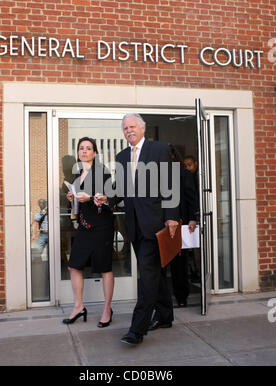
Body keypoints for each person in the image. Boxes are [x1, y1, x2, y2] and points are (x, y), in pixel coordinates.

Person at [95, 113, 179, 345]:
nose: (129, 130)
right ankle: (165, 316)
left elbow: (170, 182)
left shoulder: (159, 149)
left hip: (156, 223)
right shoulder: (122, 156)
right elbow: (120, 189)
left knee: (147, 275)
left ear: (142, 128)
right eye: (125, 128)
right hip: (134, 225)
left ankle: (137, 329)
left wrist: (172, 217)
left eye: (132, 126)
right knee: (156, 272)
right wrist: (107, 197)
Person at [62, 137, 115, 328]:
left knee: (105, 268)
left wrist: (92, 197)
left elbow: (112, 198)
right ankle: (78, 306)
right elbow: (78, 205)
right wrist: (72, 198)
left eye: (88, 148)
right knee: (73, 266)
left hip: (102, 228)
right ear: (78, 153)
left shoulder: (103, 173)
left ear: (94, 153)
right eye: (81, 148)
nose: (84, 151)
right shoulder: (77, 177)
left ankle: (107, 309)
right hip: (85, 227)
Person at [168, 146, 198, 308]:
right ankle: (166, 297)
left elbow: (191, 198)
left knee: (180, 262)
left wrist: (192, 219)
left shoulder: (184, 174)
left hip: (181, 223)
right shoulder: (156, 175)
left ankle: (181, 296)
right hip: (161, 224)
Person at [183, 155, 201, 282]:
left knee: (198, 247)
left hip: (198, 215)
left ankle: (199, 272)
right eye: (185, 165)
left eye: (190, 165)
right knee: (194, 247)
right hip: (191, 217)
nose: (188, 168)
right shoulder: (186, 177)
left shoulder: (199, 179)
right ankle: (196, 271)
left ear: (196, 164)